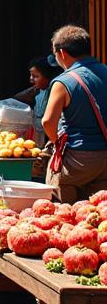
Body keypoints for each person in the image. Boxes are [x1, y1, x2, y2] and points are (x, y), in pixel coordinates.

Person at [42, 25, 107, 202]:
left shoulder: (63, 82)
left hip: (77, 159)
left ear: (62, 53)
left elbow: (48, 122)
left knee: (65, 213)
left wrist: (55, 142)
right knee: (98, 213)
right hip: (104, 158)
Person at [14, 54, 62, 148]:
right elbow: (16, 98)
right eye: (31, 75)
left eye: (35, 76)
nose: (31, 79)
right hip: (39, 137)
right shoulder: (36, 91)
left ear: (47, 77)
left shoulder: (55, 92)